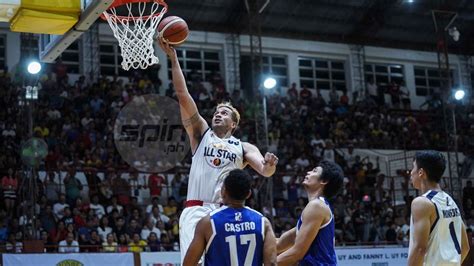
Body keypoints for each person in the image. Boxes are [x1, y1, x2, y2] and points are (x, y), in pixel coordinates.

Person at [159, 38, 279, 262]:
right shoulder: (200, 133)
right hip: (197, 210)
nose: (218, 114)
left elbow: (265, 171)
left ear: (234, 124)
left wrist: (270, 165)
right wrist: (174, 60)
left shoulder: (243, 147)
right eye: (216, 111)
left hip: (227, 213)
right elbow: (183, 95)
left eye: (224, 113)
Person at [183, 169, 277, 266]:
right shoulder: (263, 223)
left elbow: (188, 264)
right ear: (248, 194)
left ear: (223, 191)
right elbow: (272, 263)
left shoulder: (208, 223)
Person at [407, 150, 470, 265]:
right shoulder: (451, 201)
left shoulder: (422, 203)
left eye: (413, 168)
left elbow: (419, 249)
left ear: (421, 172)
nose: (411, 173)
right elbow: (465, 247)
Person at [277, 160, 344, 266]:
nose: (308, 172)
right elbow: (279, 244)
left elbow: (296, 253)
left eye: (314, 171)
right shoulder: (317, 207)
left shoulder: (317, 206)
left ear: (324, 181)